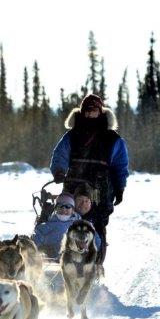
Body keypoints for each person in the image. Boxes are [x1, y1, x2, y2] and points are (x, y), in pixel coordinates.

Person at [49, 94, 129, 266]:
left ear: (101, 111)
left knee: (97, 225)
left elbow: (120, 165)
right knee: (66, 219)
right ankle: (61, 258)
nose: (90, 113)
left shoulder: (112, 139)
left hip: (101, 191)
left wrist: (120, 187)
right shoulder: (72, 136)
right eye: (87, 109)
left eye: (93, 110)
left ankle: (96, 262)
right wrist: (59, 171)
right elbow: (60, 155)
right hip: (73, 186)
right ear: (81, 111)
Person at [32, 192, 101, 258]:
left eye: (68, 206)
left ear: (73, 210)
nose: (64, 209)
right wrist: (34, 250)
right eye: (60, 206)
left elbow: (94, 236)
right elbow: (37, 235)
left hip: (73, 258)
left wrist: (92, 250)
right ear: (56, 208)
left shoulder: (79, 224)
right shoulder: (50, 224)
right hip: (50, 257)